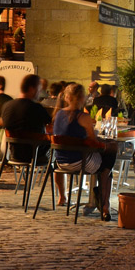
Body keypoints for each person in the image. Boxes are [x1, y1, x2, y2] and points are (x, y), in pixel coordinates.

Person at [52, 82, 115, 219]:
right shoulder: (83, 117)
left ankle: (68, 197)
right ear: (83, 98)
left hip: (60, 163)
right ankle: (105, 204)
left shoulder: (57, 115)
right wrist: (105, 144)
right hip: (81, 162)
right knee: (110, 156)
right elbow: (93, 143)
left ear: (66, 97)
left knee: (104, 158)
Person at [1, 74, 51, 168]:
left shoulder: (7, 106)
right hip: (35, 154)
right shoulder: (36, 108)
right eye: (39, 89)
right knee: (56, 151)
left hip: (13, 154)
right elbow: (51, 126)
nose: (40, 93)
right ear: (32, 89)